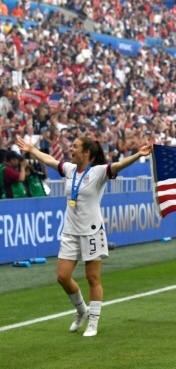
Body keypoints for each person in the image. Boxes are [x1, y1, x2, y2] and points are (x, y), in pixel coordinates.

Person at [15, 135, 152, 337]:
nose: (71, 149)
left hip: (92, 231)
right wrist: (31, 150)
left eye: (75, 147)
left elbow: (118, 165)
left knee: (93, 278)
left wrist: (137, 155)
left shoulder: (98, 172)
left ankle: (93, 322)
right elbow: (49, 160)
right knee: (62, 277)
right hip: (70, 231)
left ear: (86, 152)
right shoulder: (70, 169)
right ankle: (81, 311)